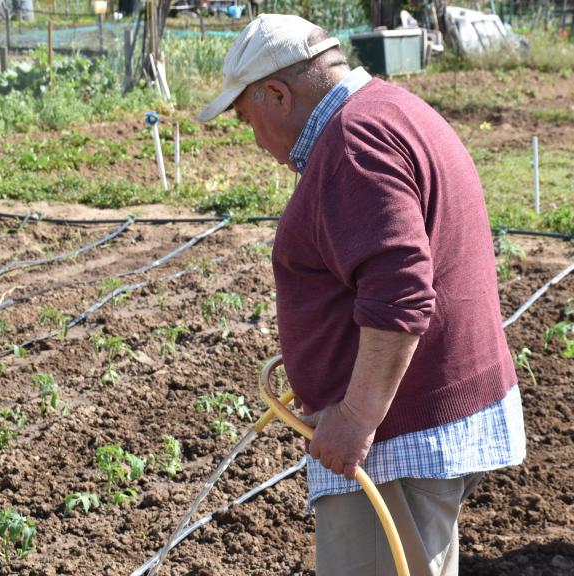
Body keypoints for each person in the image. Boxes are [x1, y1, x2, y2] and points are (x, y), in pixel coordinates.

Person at [197, 14, 526, 576]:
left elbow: (399, 291)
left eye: (250, 119)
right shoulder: (390, 108)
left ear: (278, 93)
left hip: (398, 438)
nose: (256, 142)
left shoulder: (350, 143)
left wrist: (354, 417)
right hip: (428, 414)